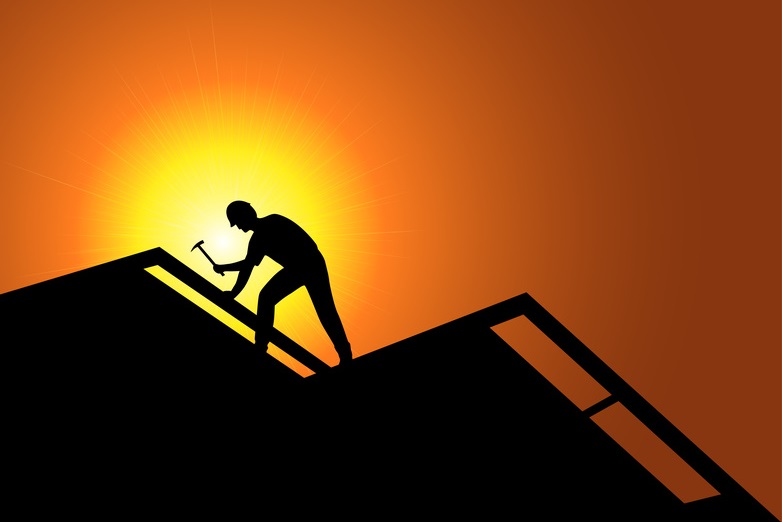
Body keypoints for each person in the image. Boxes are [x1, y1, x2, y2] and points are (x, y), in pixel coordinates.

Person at [213, 200, 352, 366]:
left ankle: (345, 354)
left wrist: (232, 289)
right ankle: (261, 345)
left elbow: (247, 267)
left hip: (310, 263)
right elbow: (247, 266)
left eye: (237, 222)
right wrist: (231, 286)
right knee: (267, 297)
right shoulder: (258, 239)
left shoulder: (272, 222)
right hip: (301, 267)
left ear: (246, 214)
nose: (238, 227)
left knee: (325, 310)